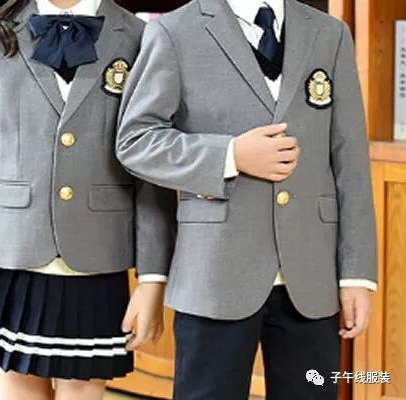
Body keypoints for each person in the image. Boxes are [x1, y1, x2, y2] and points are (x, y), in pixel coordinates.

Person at [116, 0, 377, 399]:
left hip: (312, 277)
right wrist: (230, 155)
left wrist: (356, 275)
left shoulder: (330, 34)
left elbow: (351, 160)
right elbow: (136, 141)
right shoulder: (173, 31)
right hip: (214, 274)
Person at [0, 0, 176, 399]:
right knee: (18, 388)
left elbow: (152, 169)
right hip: (10, 256)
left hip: (99, 259)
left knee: (83, 389)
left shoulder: (141, 37)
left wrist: (153, 280)